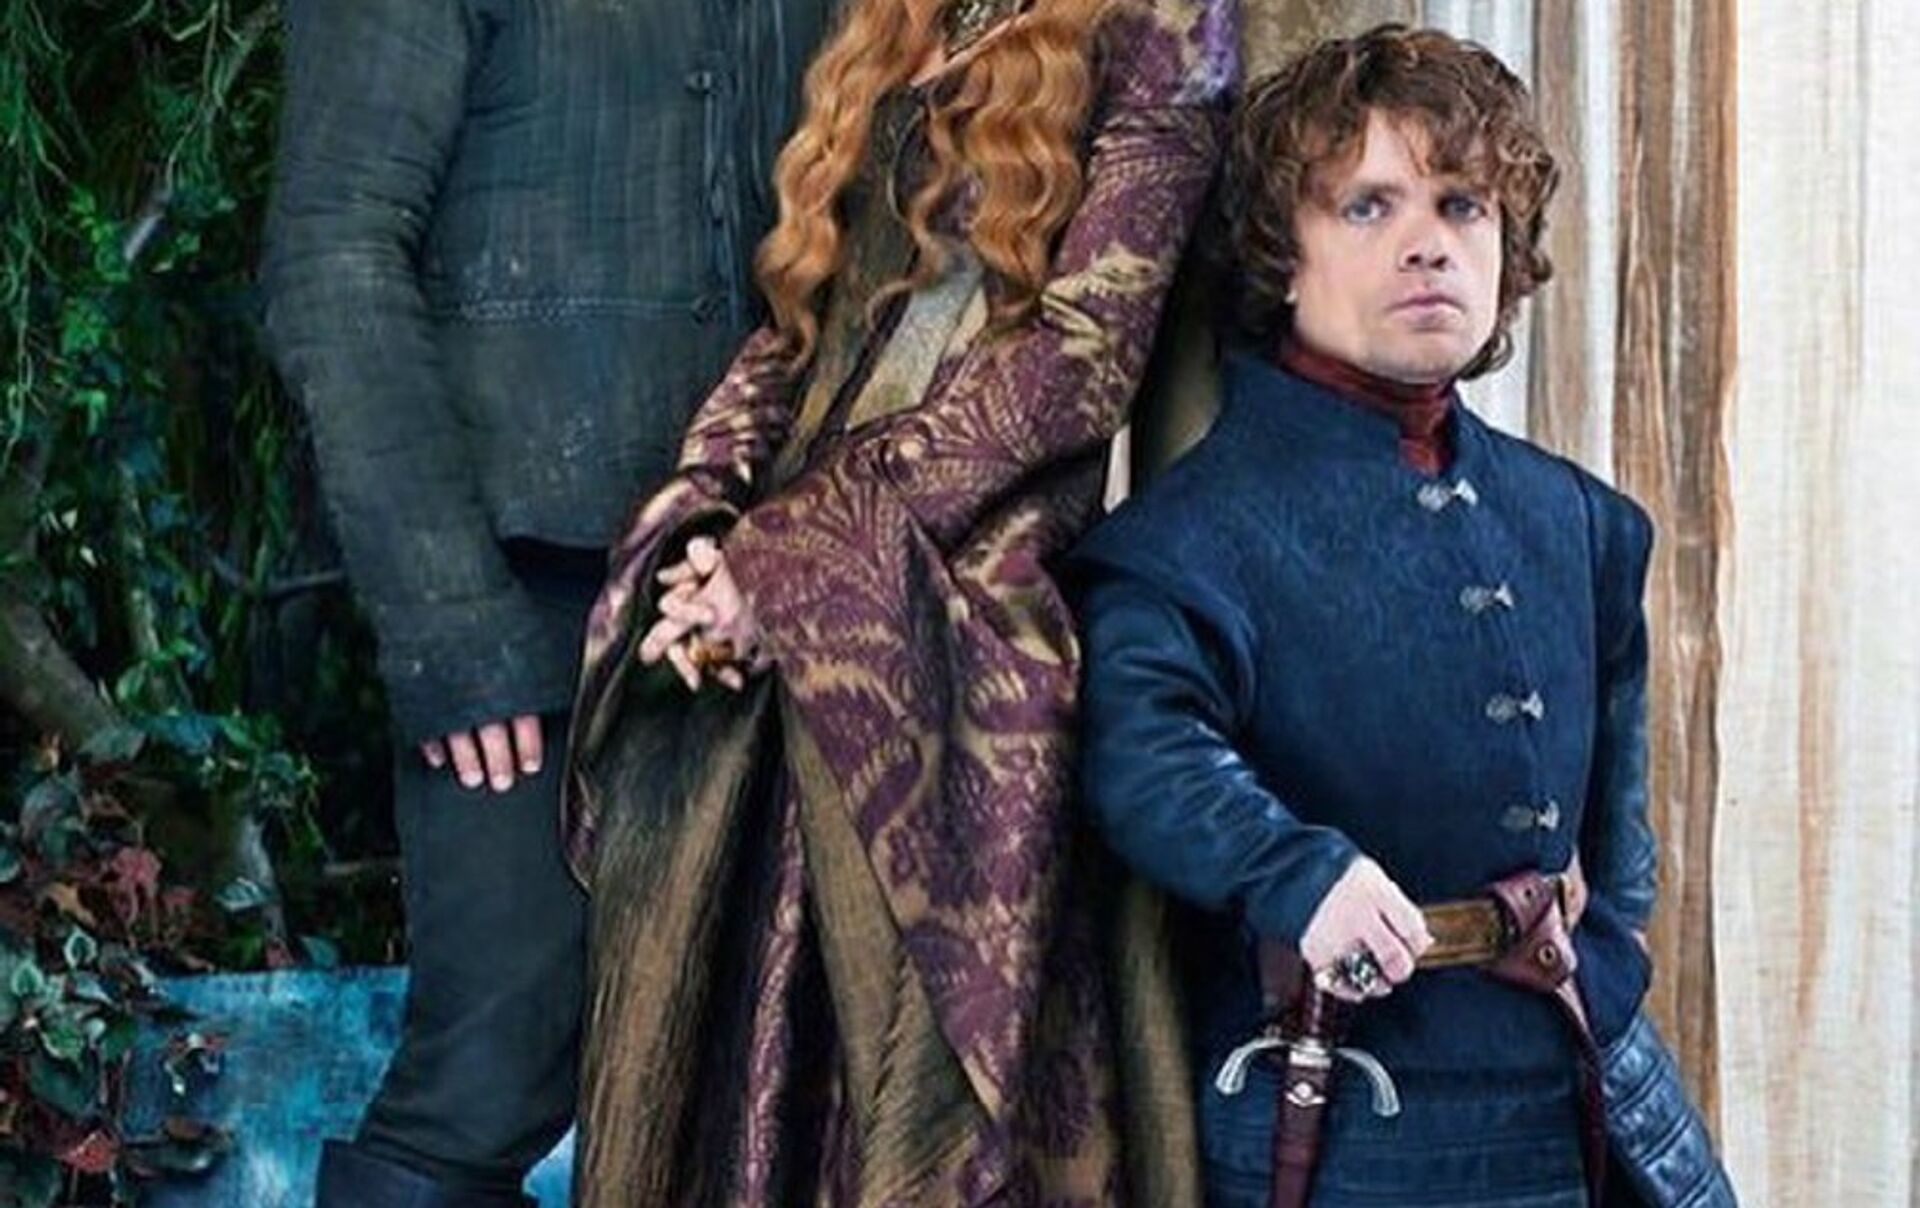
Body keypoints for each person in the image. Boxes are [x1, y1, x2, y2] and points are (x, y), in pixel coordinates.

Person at [558, 0, 1236, 1202]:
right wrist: (707, 529)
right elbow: (794, 339)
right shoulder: (893, 17)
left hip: (951, 629)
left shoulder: (1167, 25)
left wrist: (793, 554)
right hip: (775, 631)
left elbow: (1077, 368)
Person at [1071, 24, 1736, 1207]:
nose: (1429, 243)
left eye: (1463, 205)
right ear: (1282, 256)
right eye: (1369, 206)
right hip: (1343, 1110)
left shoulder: (1583, 521)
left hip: (1587, 1079)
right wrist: (1298, 873)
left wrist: (1614, 933)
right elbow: (1139, 751)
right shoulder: (1183, 540)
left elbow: (1617, 807)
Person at [258, 0, 829, 1202]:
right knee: (484, 1085)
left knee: (761, 1095)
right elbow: (330, 256)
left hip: (778, 587)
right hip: (524, 602)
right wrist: (449, 623)